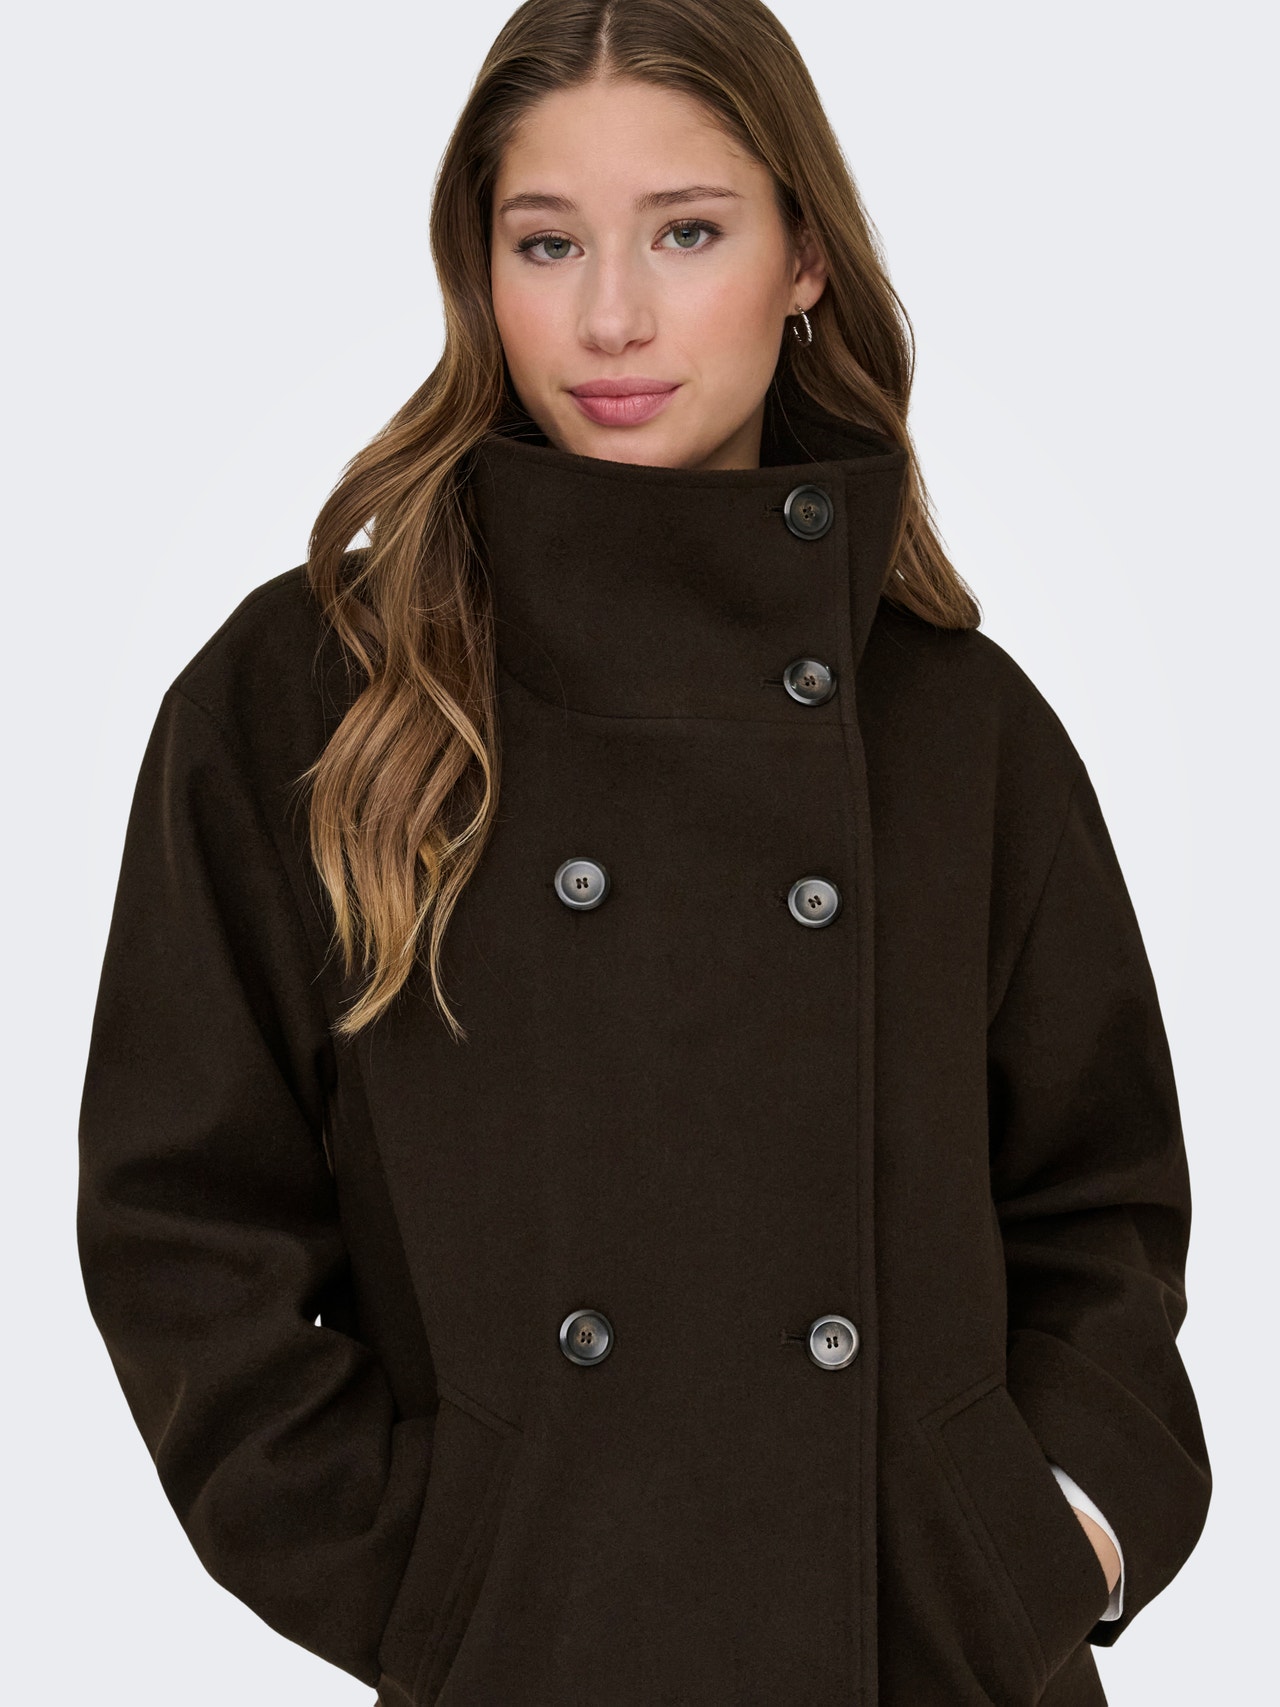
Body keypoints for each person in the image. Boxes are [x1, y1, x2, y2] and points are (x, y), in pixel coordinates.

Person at [75, 1, 1211, 1703]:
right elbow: (183, 1229)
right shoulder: (314, 696)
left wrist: (1051, 1541)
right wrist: (440, 1586)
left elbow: (1103, 1210)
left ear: (803, 258)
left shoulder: (958, 724)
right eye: (548, 243)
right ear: (481, 271)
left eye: (686, 232)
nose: (612, 316)